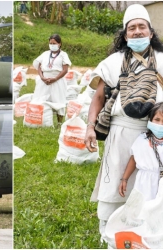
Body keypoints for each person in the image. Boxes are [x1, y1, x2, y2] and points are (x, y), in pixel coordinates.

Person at [84, 4, 163, 241]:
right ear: (125, 34)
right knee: (114, 184)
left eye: (142, 27)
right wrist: (90, 126)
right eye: (132, 28)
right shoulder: (113, 61)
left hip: (155, 135)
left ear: (150, 32)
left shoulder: (161, 59)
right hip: (120, 133)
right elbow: (98, 97)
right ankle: (108, 233)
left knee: (150, 184)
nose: (137, 31)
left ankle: (148, 234)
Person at [119, 102, 163, 201]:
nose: (160, 124)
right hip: (144, 183)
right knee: (142, 207)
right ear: (150, 120)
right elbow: (134, 159)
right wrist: (124, 179)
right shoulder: (142, 139)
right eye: (157, 120)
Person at [32, 34, 71, 128]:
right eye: (50, 43)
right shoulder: (45, 54)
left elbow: (65, 70)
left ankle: (59, 123)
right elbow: (39, 67)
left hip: (57, 80)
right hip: (44, 81)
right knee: (41, 99)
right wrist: (42, 77)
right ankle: (39, 121)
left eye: (54, 43)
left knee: (59, 100)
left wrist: (55, 78)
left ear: (60, 44)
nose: (52, 45)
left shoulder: (63, 55)